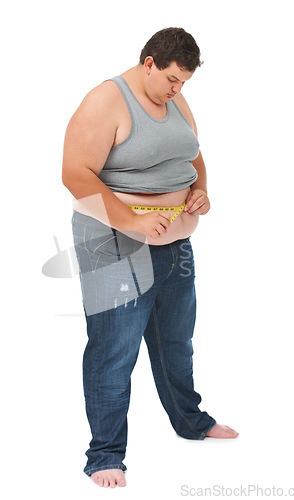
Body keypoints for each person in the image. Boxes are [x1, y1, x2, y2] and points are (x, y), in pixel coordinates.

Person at [62, 27, 239, 489]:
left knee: (176, 340)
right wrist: (132, 220)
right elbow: (74, 173)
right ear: (149, 63)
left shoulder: (176, 99)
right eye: (173, 79)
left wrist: (199, 191)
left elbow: (192, 155)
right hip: (113, 244)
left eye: (185, 82)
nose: (179, 90)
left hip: (175, 245)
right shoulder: (108, 100)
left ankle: (191, 421)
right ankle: (105, 455)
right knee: (114, 351)